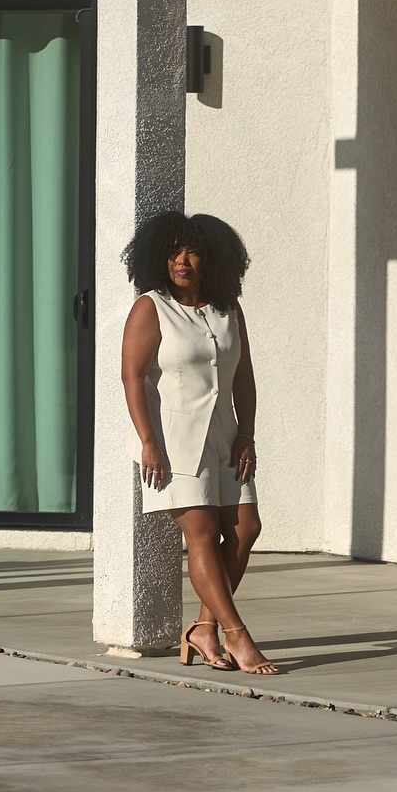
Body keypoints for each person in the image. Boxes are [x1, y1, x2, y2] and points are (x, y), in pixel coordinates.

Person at [120, 210, 279, 676]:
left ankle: (204, 628)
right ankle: (238, 635)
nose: (182, 260)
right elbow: (132, 377)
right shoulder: (151, 307)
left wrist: (247, 432)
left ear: (212, 258)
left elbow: (243, 376)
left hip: (225, 439)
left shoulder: (228, 308)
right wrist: (149, 441)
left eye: (191, 251)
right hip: (171, 442)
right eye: (172, 252)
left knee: (246, 529)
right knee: (204, 534)